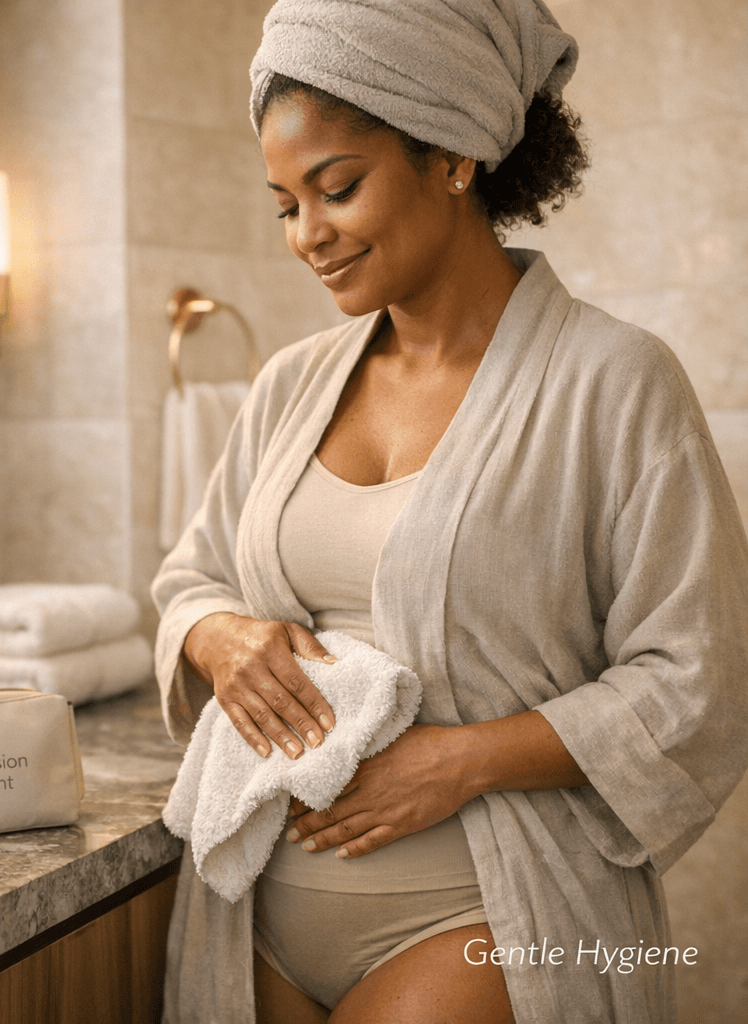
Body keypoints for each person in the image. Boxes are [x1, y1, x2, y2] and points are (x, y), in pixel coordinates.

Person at [151, 2, 748, 1022]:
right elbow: (188, 576)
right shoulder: (290, 385)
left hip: (490, 912)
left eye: (337, 188)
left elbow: (699, 673)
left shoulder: (610, 381)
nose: (307, 237)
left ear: (455, 154)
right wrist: (220, 636)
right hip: (251, 914)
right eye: (284, 204)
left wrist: (459, 761)